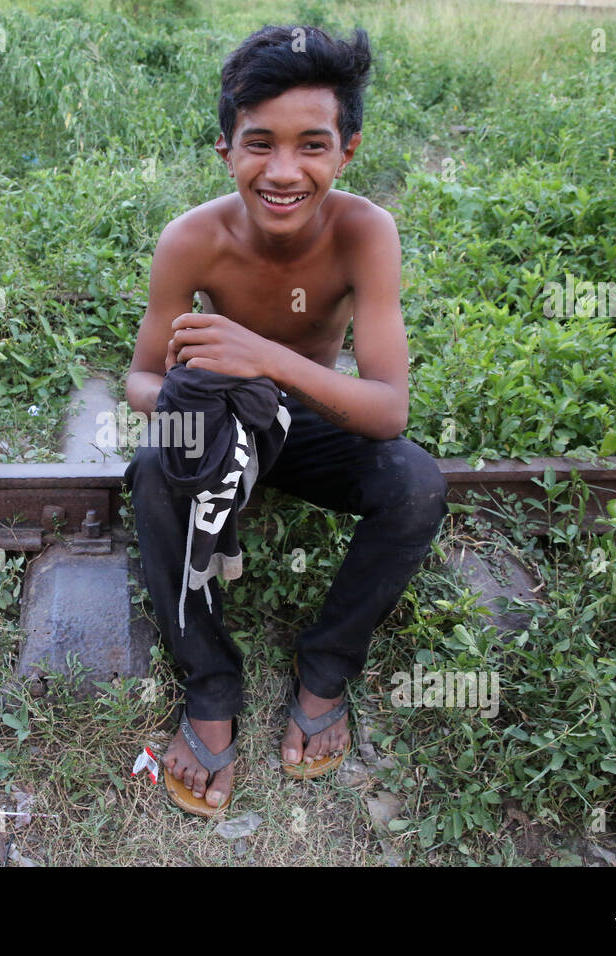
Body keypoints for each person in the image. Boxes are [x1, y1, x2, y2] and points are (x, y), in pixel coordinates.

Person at [123, 24, 448, 815]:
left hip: (310, 422)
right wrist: (196, 388)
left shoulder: (364, 232)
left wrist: (264, 358)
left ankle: (326, 668)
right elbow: (138, 378)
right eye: (258, 143)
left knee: (414, 483)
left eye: (312, 145)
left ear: (348, 150)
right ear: (225, 149)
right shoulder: (191, 239)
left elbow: (389, 409)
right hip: (228, 422)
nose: (283, 170)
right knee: (155, 465)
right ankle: (209, 682)